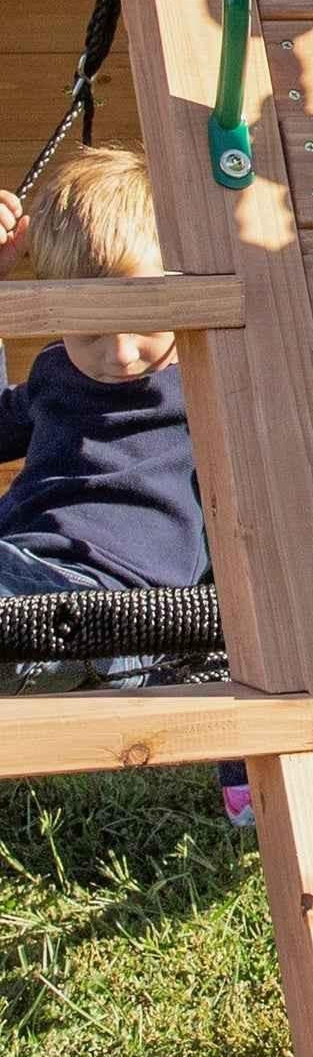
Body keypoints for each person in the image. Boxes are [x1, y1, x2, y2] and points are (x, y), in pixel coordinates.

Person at [0, 149, 209, 682]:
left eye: (144, 322)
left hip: (123, 615)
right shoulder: (56, 374)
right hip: (19, 576)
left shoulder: (212, 381)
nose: (118, 354)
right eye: (89, 331)